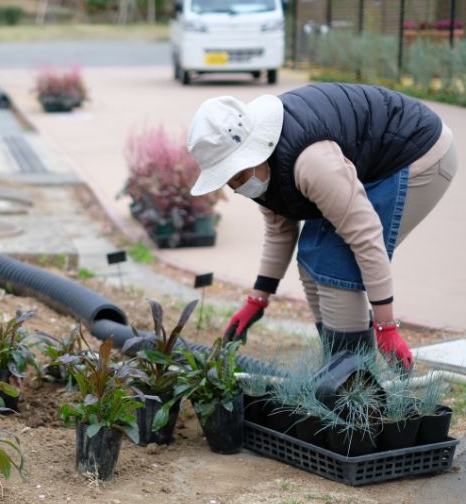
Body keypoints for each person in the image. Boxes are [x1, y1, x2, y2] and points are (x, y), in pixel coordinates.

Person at [186, 84, 457, 371]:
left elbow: (365, 236)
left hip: (418, 155)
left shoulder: (310, 162)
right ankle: (340, 372)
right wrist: (257, 300)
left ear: (257, 149)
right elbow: (280, 230)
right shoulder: (263, 169)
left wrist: (386, 326)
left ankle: (355, 386)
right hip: (367, 159)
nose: (239, 185)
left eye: (239, 174)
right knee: (312, 257)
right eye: (230, 180)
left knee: (334, 263)